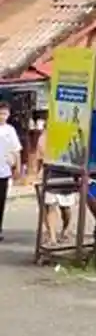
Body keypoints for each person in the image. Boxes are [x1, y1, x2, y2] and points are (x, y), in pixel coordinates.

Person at [0, 102, 21, 242]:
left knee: (1, 202)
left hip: (4, 171)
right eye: (1, 113)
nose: (2, 116)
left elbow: (16, 150)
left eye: (5, 113)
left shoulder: (10, 130)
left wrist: (17, 167)